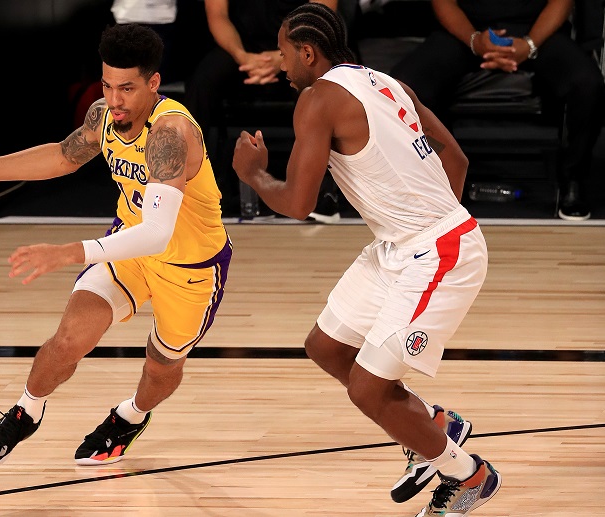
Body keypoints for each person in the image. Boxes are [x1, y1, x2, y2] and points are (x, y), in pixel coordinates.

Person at [232, 4, 500, 515]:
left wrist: (252, 174)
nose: (282, 64)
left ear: (308, 52)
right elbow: (456, 159)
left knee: (368, 389)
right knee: (326, 346)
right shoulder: (387, 82)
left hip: (436, 250)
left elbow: (297, 204)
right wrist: (429, 214)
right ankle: (435, 425)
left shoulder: (316, 100)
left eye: (285, 53)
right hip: (402, 245)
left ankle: (470, 476)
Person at [0, 24, 232, 467]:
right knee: (68, 339)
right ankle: (27, 409)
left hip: (190, 266)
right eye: (107, 84)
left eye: (127, 87)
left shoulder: (170, 133)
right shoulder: (103, 115)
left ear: (153, 83)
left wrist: (67, 252)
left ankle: (131, 415)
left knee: (161, 365)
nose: (115, 98)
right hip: (130, 250)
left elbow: (159, 232)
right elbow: (63, 156)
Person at [390, 0, 605, 221]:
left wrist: (528, 45)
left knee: (588, 85)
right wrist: (475, 42)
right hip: (465, 31)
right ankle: (443, 175)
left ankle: (573, 179)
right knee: (405, 86)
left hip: (538, 31)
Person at [184, 0, 339, 217]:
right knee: (202, 83)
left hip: (301, 45)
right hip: (239, 48)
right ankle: (186, 188)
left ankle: (324, 193)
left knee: (317, 88)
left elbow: (321, 17)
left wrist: (284, 56)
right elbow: (218, 16)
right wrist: (242, 56)